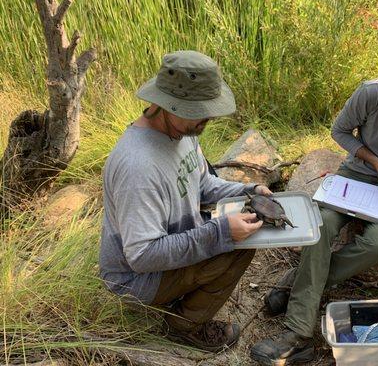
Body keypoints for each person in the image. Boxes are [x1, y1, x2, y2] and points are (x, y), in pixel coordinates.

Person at [250, 69, 378, 364]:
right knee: (321, 228)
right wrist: (375, 162)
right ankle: (298, 334)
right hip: (356, 175)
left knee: (376, 245)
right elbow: (339, 132)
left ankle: (299, 282)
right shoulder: (369, 94)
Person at [99, 50, 272, 352]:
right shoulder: (138, 166)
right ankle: (183, 326)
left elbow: (202, 183)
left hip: (168, 245)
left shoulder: (181, 129)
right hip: (136, 280)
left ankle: (181, 299)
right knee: (237, 248)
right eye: (198, 111)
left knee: (240, 237)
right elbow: (142, 256)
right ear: (167, 105)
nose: (206, 118)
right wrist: (220, 233)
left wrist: (248, 192)